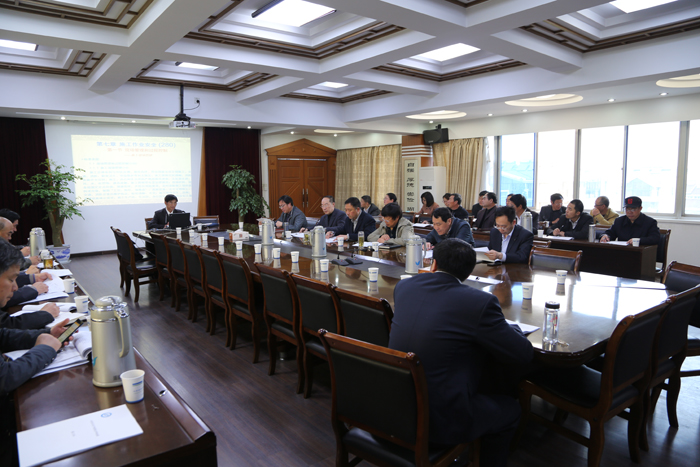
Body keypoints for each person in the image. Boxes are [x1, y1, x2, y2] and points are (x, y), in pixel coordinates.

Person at [389, 238, 534, 467]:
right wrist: (512, 328)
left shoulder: (405, 287)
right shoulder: (479, 302)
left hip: (392, 403)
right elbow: (522, 354)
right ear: (468, 272)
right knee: (510, 409)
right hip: (439, 421)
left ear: (434, 264)